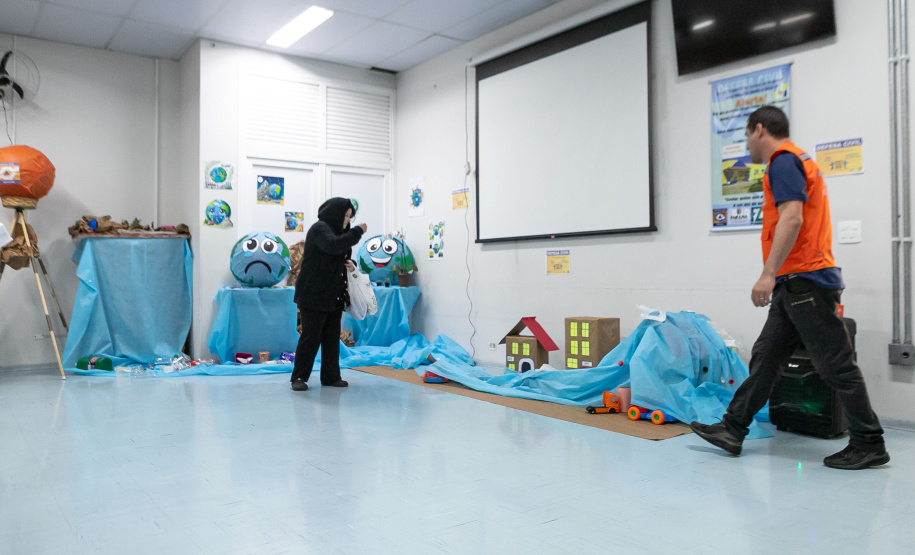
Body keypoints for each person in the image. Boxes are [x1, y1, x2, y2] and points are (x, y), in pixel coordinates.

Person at [690, 106, 889, 470]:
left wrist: (767, 273)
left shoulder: (783, 161)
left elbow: (792, 216)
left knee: (835, 367)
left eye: (748, 136)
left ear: (760, 129)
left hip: (805, 281)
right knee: (766, 358)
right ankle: (732, 428)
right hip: (794, 284)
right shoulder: (793, 162)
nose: (747, 144)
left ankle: (869, 442)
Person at [290, 197, 366, 391]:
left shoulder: (341, 233)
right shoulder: (320, 229)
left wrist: (351, 264)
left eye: (350, 217)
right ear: (335, 213)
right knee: (311, 336)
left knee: (332, 337)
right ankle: (299, 377)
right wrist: (358, 232)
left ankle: (331, 376)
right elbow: (332, 246)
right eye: (346, 216)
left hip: (333, 294)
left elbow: (338, 256)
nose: (348, 220)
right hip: (313, 294)